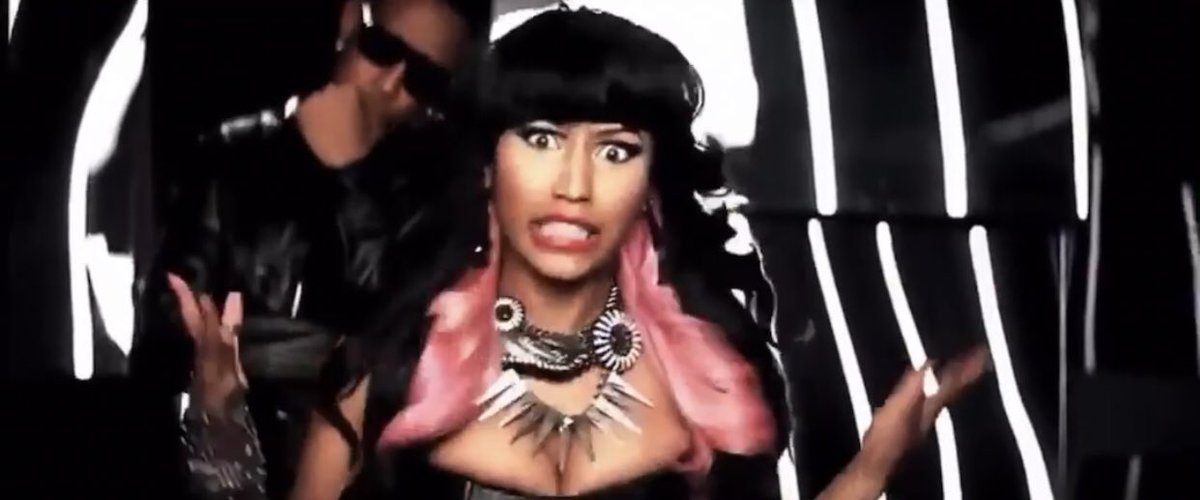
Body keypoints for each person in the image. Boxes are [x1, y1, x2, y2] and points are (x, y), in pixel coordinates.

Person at [175, 7, 989, 499]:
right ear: (488, 165)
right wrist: (219, 423)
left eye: (615, 149)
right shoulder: (389, 369)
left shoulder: (714, 385)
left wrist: (869, 474)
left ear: (652, 183)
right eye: (540, 139)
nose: (573, 184)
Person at [129, 0, 492, 497]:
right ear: (349, 22)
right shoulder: (231, 157)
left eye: (423, 79)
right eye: (382, 49)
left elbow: (395, 352)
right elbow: (167, 331)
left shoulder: (441, 194)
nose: (390, 85)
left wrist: (351, 180)